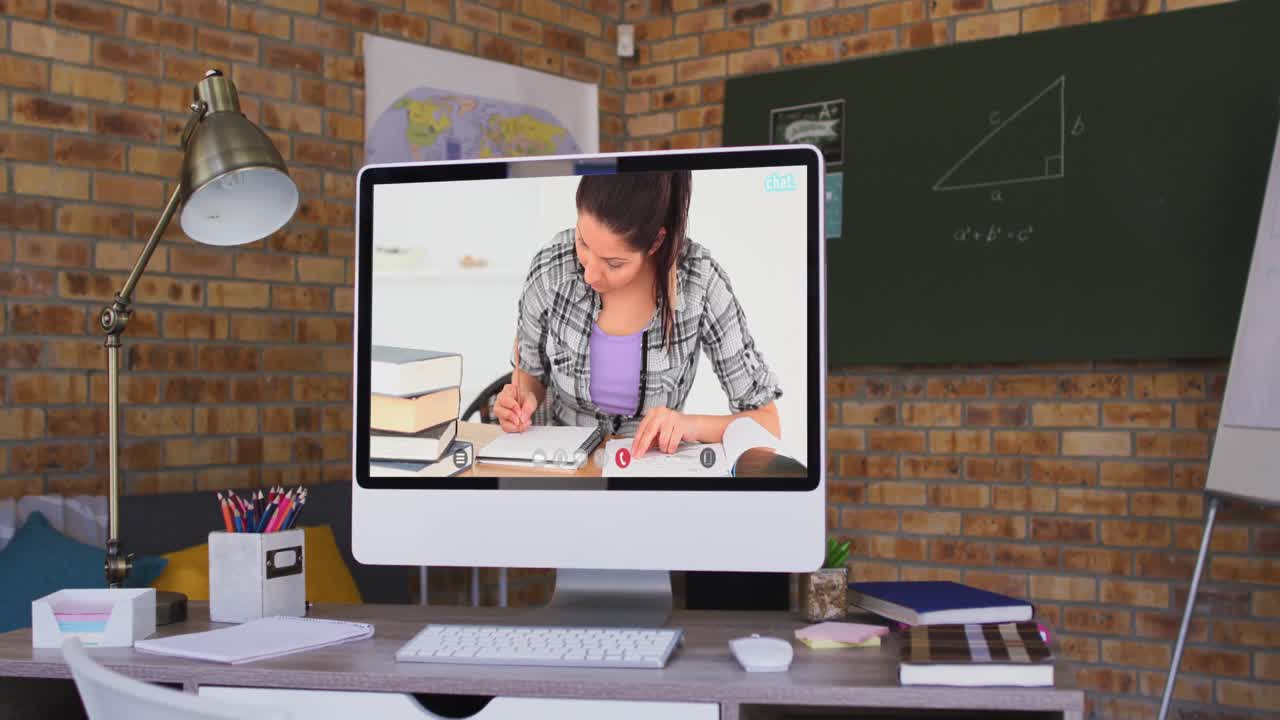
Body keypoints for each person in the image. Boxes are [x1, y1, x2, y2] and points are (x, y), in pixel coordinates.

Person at [494, 171, 781, 457]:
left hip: (648, 473)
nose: (590, 274)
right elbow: (531, 374)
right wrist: (522, 399)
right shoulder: (551, 268)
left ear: (655, 242)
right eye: (583, 242)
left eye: (613, 263)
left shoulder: (700, 283)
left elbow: (767, 423)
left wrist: (689, 426)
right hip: (560, 467)